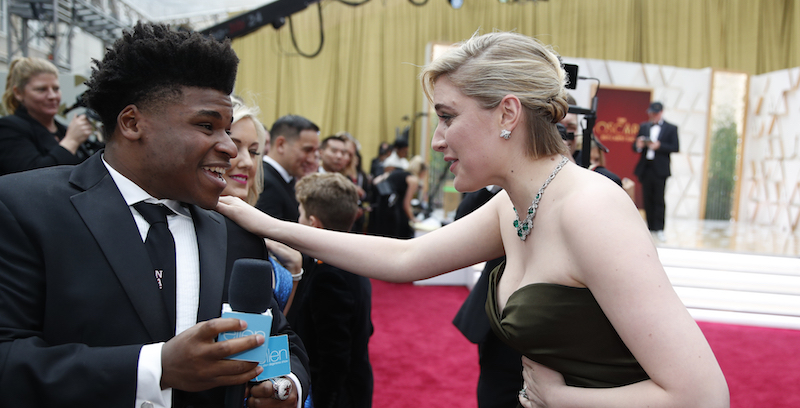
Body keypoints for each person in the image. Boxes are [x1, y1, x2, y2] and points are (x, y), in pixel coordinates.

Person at [218, 31, 728, 408]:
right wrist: (262, 222)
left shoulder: (591, 209)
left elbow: (702, 394)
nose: (437, 141)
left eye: (448, 117)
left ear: (507, 114)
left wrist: (559, 398)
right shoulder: (514, 203)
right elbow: (408, 257)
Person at [0, 22, 309, 408]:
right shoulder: (24, 208)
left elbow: (278, 339)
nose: (230, 148)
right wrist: (154, 368)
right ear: (132, 123)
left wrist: (285, 386)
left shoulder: (235, 228)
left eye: (227, 130)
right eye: (206, 125)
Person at [289, 172, 374, 408]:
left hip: (338, 395)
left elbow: (334, 357)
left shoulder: (328, 277)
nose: (298, 220)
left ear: (313, 223)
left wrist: (325, 401)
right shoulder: (353, 261)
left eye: (301, 215)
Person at [222, 95, 302, 313]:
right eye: (233, 147)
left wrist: (294, 271)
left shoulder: (250, 230)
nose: (247, 162)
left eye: (254, 151)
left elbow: (270, 327)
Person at [452, 185, 522, 408]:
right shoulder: (500, 190)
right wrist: (493, 187)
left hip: (551, 329)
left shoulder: (590, 182)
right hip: (497, 320)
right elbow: (461, 222)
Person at [0, 56, 96, 176]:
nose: (52, 96)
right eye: (41, 89)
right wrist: (71, 141)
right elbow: (32, 176)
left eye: (56, 89)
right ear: (18, 93)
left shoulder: (65, 131)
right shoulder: (8, 128)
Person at [255, 114, 320, 222]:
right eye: (307, 150)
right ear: (281, 145)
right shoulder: (266, 182)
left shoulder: (284, 179)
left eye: (315, 152)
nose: (311, 160)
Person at [633, 101, 679, 242]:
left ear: (661, 112)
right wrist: (639, 145)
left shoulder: (671, 128)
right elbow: (635, 147)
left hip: (660, 169)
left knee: (659, 199)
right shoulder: (644, 126)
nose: (653, 115)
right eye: (651, 113)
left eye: (656, 113)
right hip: (646, 167)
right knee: (647, 199)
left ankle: (659, 228)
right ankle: (650, 227)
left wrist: (659, 146)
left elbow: (675, 147)